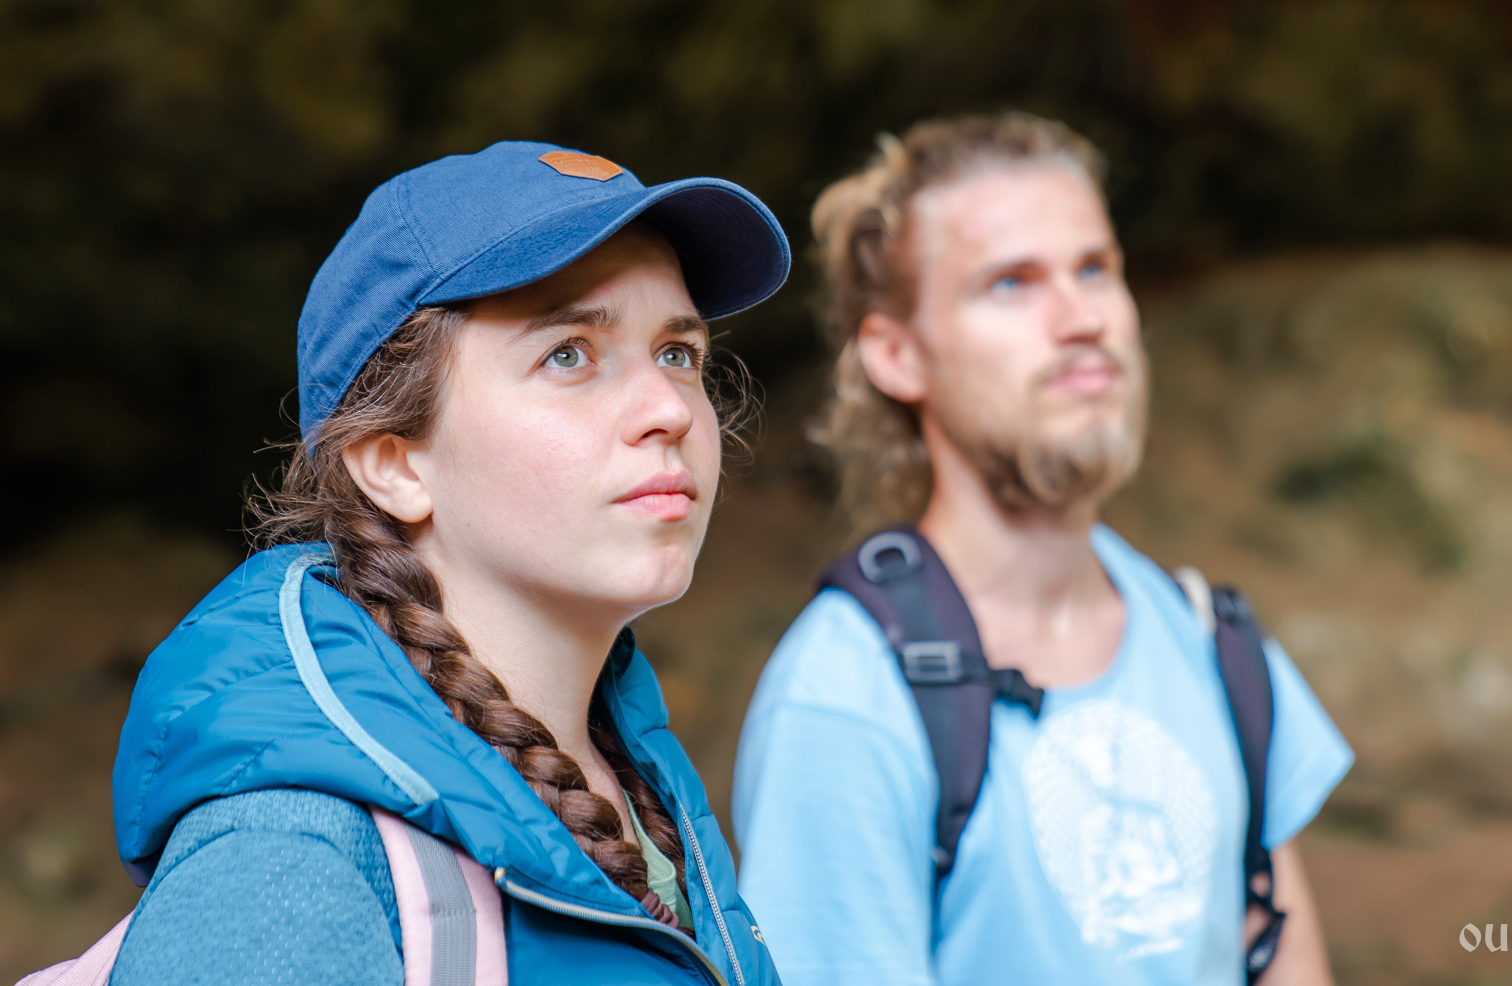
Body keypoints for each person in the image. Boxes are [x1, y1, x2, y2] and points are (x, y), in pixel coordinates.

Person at [105, 141, 788, 985]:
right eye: (568, 352)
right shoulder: (287, 859)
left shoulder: (652, 793)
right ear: (394, 463)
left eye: (679, 353)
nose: (669, 410)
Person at [732, 114, 1353, 986]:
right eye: (1010, 283)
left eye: (1095, 269)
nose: (1082, 318)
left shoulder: (1214, 644)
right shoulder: (845, 698)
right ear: (898, 355)